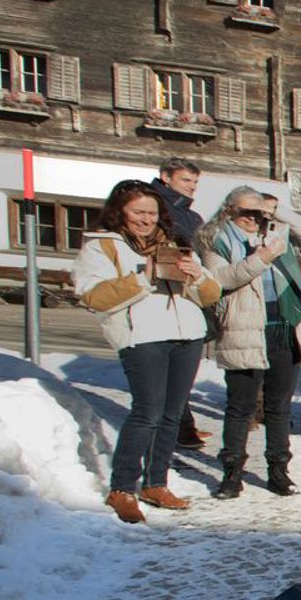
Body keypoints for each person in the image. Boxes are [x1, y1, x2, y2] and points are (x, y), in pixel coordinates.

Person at [73, 179, 220, 523]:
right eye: (138, 212)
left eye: (152, 213)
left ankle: (156, 483)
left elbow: (210, 295)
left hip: (187, 335)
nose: (146, 219)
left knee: (172, 415)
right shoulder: (102, 246)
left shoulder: (174, 243)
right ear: (120, 211)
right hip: (143, 337)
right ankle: (122, 488)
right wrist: (142, 278)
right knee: (147, 413)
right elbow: (93, 297)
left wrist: (197, 276)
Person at [196, 186, 301, 498]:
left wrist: (278, 211)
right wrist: (261, 258)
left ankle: (279, 471)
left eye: (259, 213)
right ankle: (232, 474)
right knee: (240, 407)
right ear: (229, 211)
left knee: (279, 407)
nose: (255, 218)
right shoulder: (216, 242)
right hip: (243, 331)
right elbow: (221, 279)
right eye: (248, 213)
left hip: (285, 328)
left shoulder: (277, 238)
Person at [150, 158, 209, 450]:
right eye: (186, 180)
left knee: (181, 369)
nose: (192, 187)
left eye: (195, 182)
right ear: (166, 177)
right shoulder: (155, 207)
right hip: (161, 294)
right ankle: (177, 429)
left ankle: (182, 424)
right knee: (166, 373)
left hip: (188, 294)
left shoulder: (189, 214)